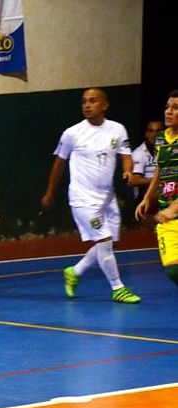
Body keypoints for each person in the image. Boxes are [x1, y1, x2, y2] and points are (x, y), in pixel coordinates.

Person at [40, 87, 141, 303]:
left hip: (107, 198)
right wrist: (49, 193)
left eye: (93, 101)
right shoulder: (72, 133)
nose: (87, 105)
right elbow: (59, 165)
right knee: (104, 241)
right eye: (84, 101)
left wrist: (128, 171)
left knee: (109, 243)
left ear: (105, 105)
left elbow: (125, 155)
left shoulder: (117, 129)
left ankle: (74, 272)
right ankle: (118, 288)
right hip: (83, 199)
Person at [135, 89, 178, 288]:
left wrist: (173, 208)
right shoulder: (161, 139)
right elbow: (160, 169)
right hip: (167, 214)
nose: (168, 111)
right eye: (167, 107)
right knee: (173, 270)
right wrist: (147, 197)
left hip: (173, 210)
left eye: (175, 108)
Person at [128, 119, 164, 209]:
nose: (154, 135)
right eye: (151, 131)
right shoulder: (139, 153)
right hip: (145, 193)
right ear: (146, 134)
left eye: (158, 131)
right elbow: (134, 180)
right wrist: (158, 181)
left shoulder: (169, 150)